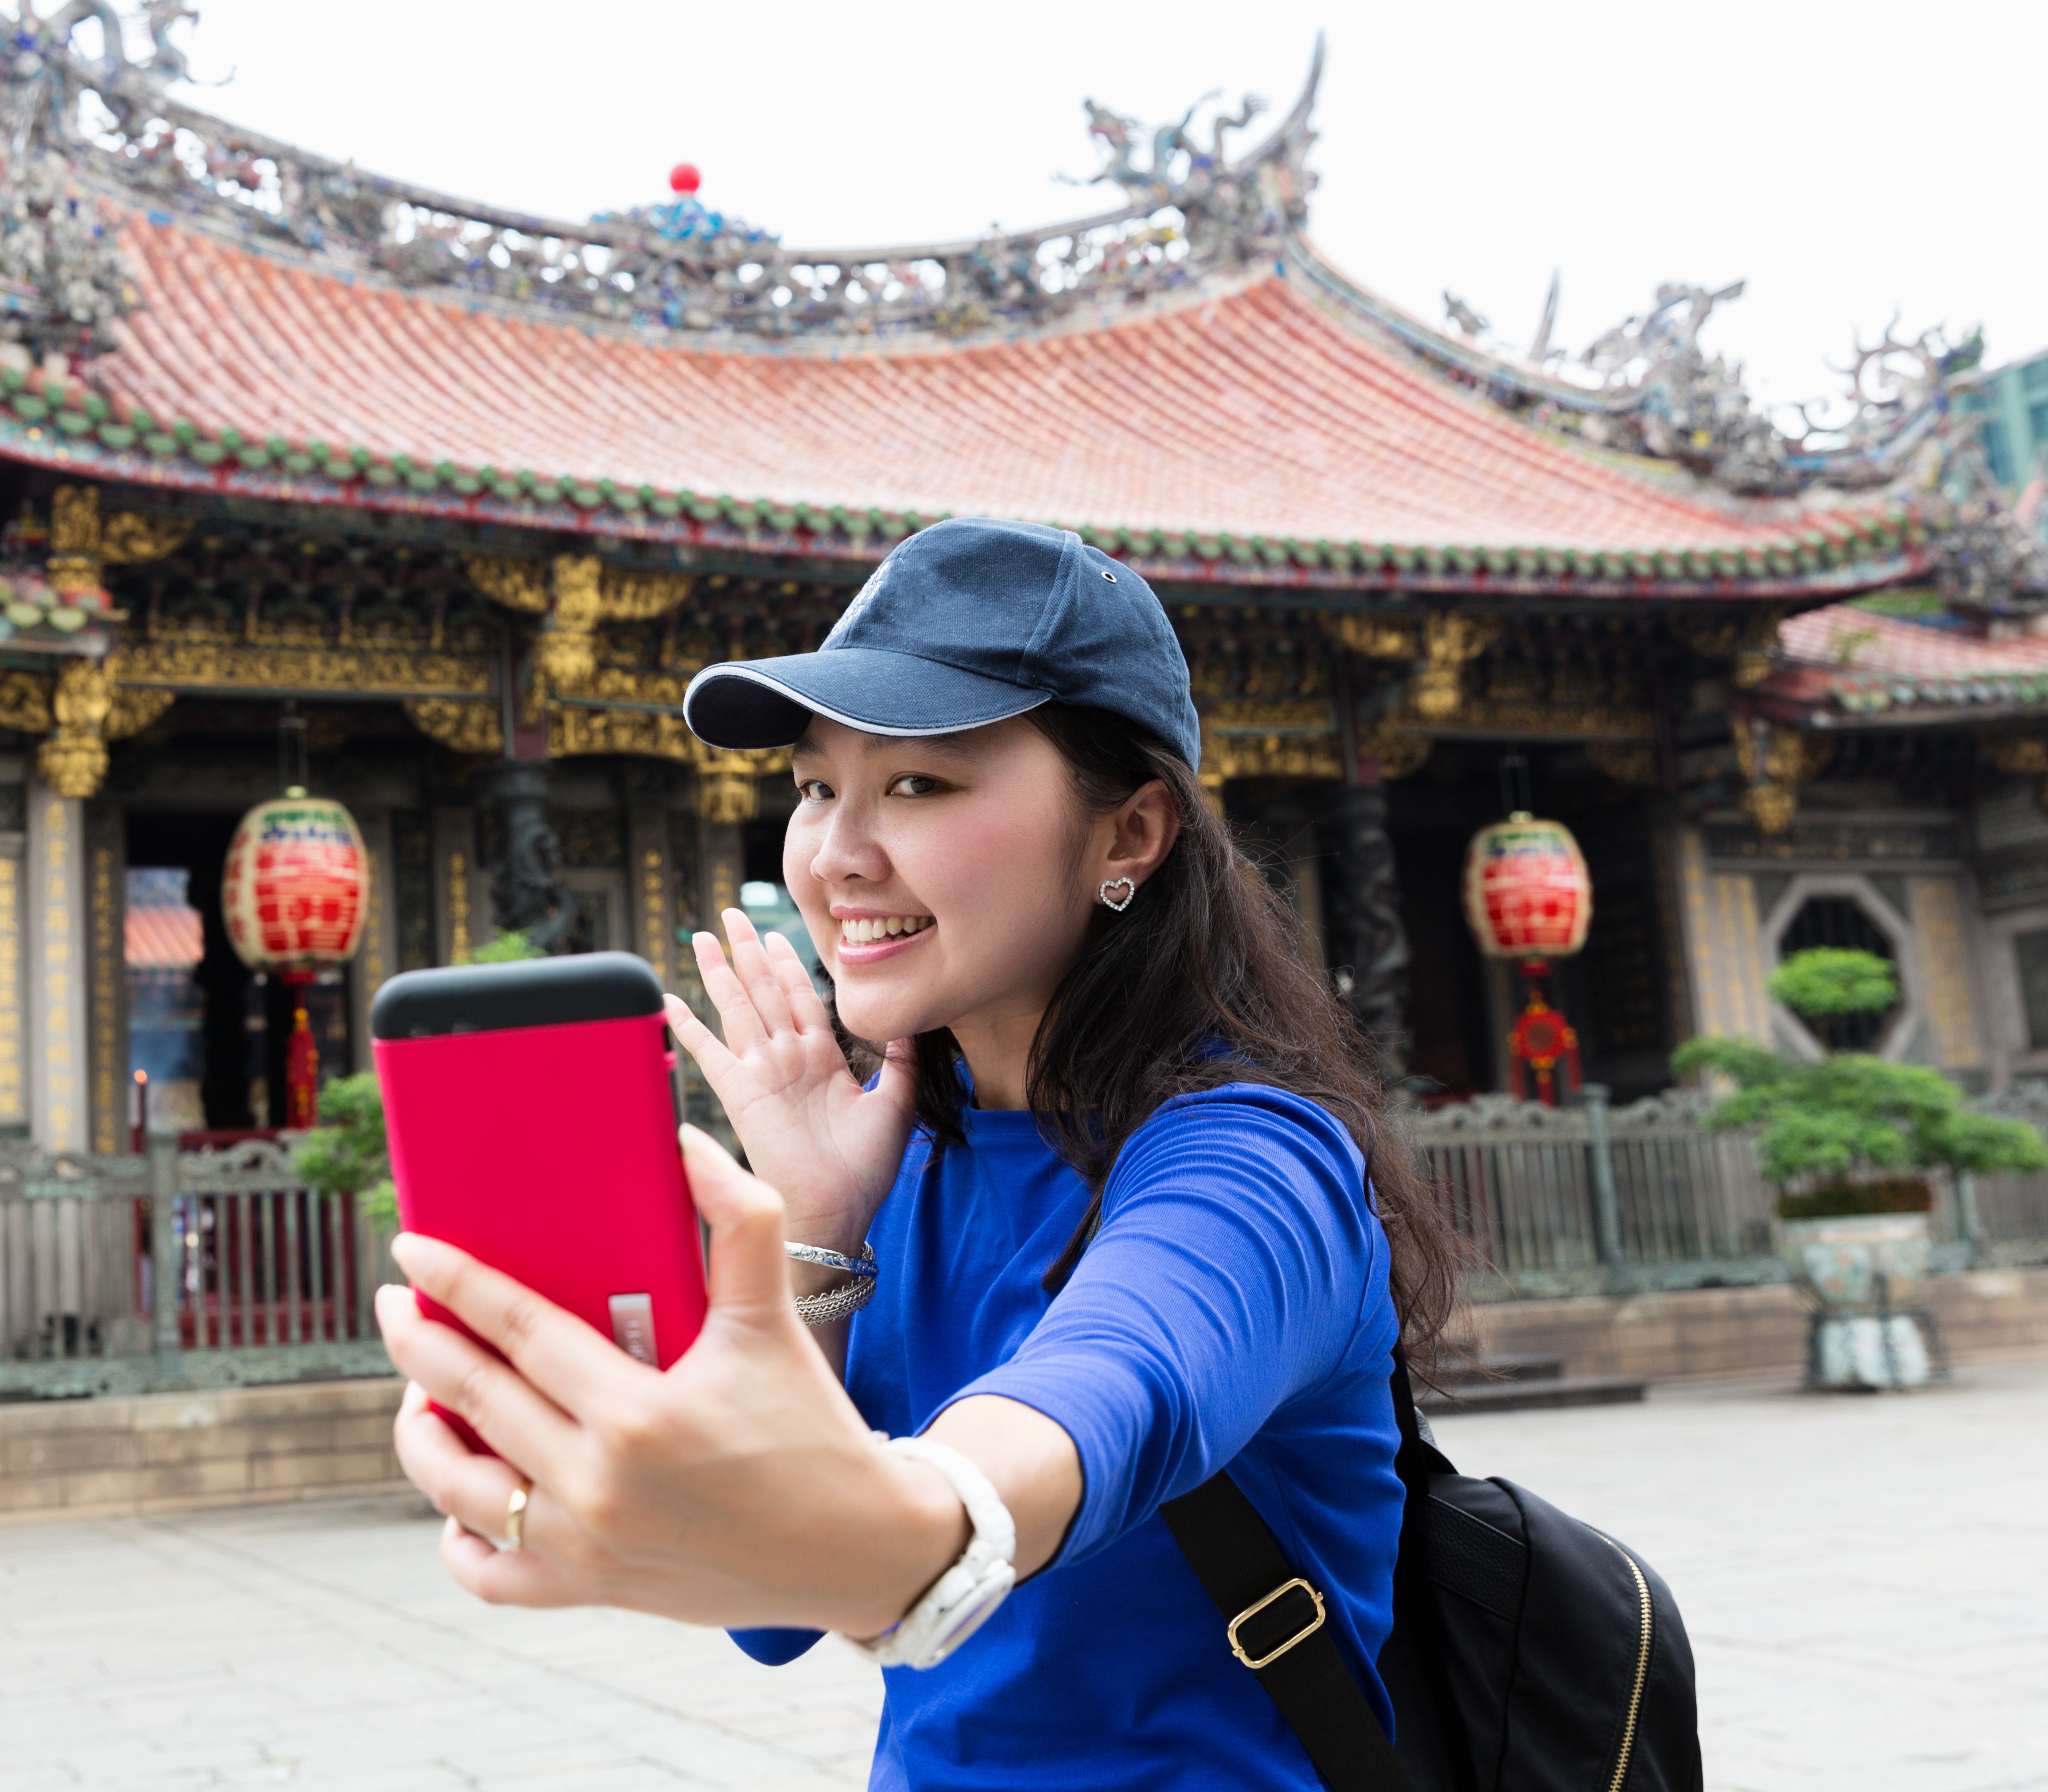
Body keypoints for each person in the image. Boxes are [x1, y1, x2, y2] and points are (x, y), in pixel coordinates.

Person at [374, 517, 1463, 1789]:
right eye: (816, 785)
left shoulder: (1255, 1166)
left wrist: (916, 1529)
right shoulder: (909, 1168)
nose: (837, 855)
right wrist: (818, 1235)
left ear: (1130, 836)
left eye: (921, 784)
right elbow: (774, 1617)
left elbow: (1110, 1389)